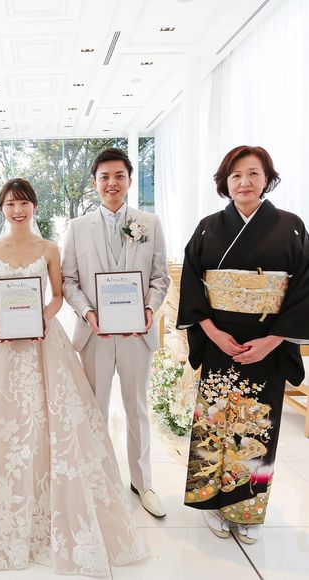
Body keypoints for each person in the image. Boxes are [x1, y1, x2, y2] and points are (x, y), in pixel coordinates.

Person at [0, 178, 146, 577]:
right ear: (1, 209)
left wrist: (41, 317)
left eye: (24, 203)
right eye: (10, 204)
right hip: (4, 341)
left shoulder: (49, 248)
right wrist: (1, 319)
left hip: (43, 338)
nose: (17, 210)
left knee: (53, 418)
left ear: (33, 206)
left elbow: (57, 294)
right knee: (4, 420)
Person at [177, 145, 309, 544]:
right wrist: (213, 333)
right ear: (225, 183)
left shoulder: (291, 227)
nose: (244, 182)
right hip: (220, 343)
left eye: (253, 173)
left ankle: (247, 509)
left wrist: (273, 340)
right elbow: (192, 285)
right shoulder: (207, 228)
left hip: (267, 347)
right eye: (235, 175)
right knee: (214, 425)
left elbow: (303, 289)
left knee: (257, 427)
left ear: (267, 178)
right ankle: (211, 504)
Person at [62, 148, 169, 518]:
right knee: (95, 408)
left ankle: (143, 482)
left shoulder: (149, 223)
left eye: (119, 176)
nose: (112, 183)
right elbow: (69, 280)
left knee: (137, 408)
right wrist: (87, 312)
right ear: (95, 183)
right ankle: (97, 480)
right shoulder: (77, 228)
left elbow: (160, 277)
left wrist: (149, 309)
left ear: (129, 180)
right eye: (104, 177)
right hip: (96, 335)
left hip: (137, 335)